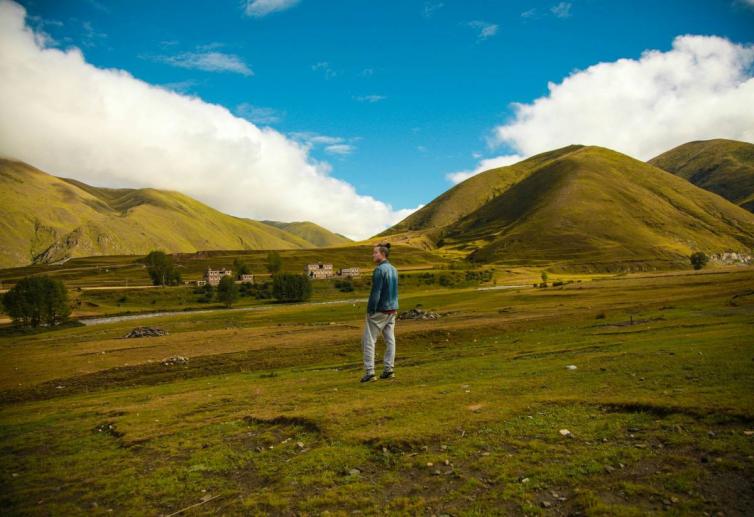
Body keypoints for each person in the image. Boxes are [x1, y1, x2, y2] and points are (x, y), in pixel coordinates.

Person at [360, 242, 399, 383]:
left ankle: (370, 372)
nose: (373, 255)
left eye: (375, 252)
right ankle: (389, 370)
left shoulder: (379, 270)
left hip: (380, 310)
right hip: (392, 309)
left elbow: (376, 292)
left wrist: (370, 309)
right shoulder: (394, 269)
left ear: (382, 254)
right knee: (390, 340)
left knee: (369, 340)